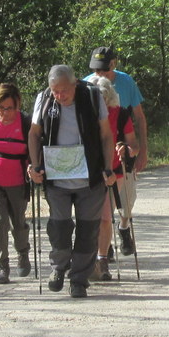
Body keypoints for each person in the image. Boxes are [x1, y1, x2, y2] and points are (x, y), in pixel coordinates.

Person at [28, 65, 117, 298]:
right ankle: (59, 267)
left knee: (88, 230)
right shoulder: (44, 99)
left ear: (75, 84)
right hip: (56, 177)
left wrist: (108, 167)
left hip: (91, 176)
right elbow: (34, 133)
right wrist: (35, 166)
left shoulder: (92, 96)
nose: (60, 96)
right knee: (59, 227)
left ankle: (79, 279)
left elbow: (106, 134)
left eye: (64, 90)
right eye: (55, 90)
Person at [86, 46, 146, 255]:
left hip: (120, 156)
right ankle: (105, 247)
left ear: (113, 64)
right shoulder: (86, 85)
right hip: (92, 164)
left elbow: (139, 117)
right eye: (95, 69)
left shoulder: (126, 82)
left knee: (127, 201)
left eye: (103, 69)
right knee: (102, 212)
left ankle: (123, 228)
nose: (99, 74)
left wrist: (140, 151)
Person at [88, 75, 138, 281]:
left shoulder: (121, 114)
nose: (100, 103)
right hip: (88, 172)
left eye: (103, 98)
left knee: (105, 218)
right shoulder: (83, 115)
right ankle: (92, 258)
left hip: (114, 172)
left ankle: (102, 261)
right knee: (91, 218)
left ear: (109, 98)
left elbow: (134, 146)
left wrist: (126, 149)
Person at [0, 83, 32, 284]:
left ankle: (22, 252)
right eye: (1, 108)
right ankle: (2, 265)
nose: (5, 112)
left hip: (18, 180)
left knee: (18, 222)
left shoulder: (25, 123)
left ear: (17, 105)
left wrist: (34, 167)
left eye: (9, 108)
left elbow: (33, 150)